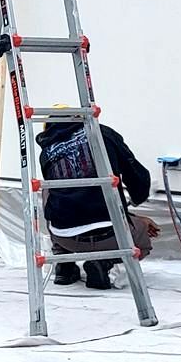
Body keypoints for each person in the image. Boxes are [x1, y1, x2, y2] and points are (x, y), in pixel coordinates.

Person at [35, 110, 160, 290]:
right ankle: (104, 262)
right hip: (112, 237)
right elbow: (137, 178)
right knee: (142, 237)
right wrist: (138, 207)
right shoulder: (103, 134)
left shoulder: (47, 152)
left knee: (50, 189)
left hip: (65, 237)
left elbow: (76, 199)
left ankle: (64, 264)